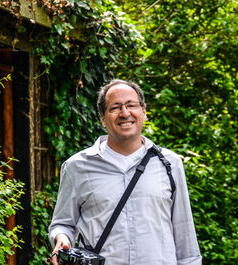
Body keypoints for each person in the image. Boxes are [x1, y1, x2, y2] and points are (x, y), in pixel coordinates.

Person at [48, 79, 202, 265]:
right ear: (103, 119)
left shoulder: (170, 164)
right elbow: (63, 223)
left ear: (143, 112)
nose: (125, 113)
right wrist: (62, 237)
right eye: (115, 108)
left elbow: (184, 236)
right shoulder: (77, 167)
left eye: (131, 105)